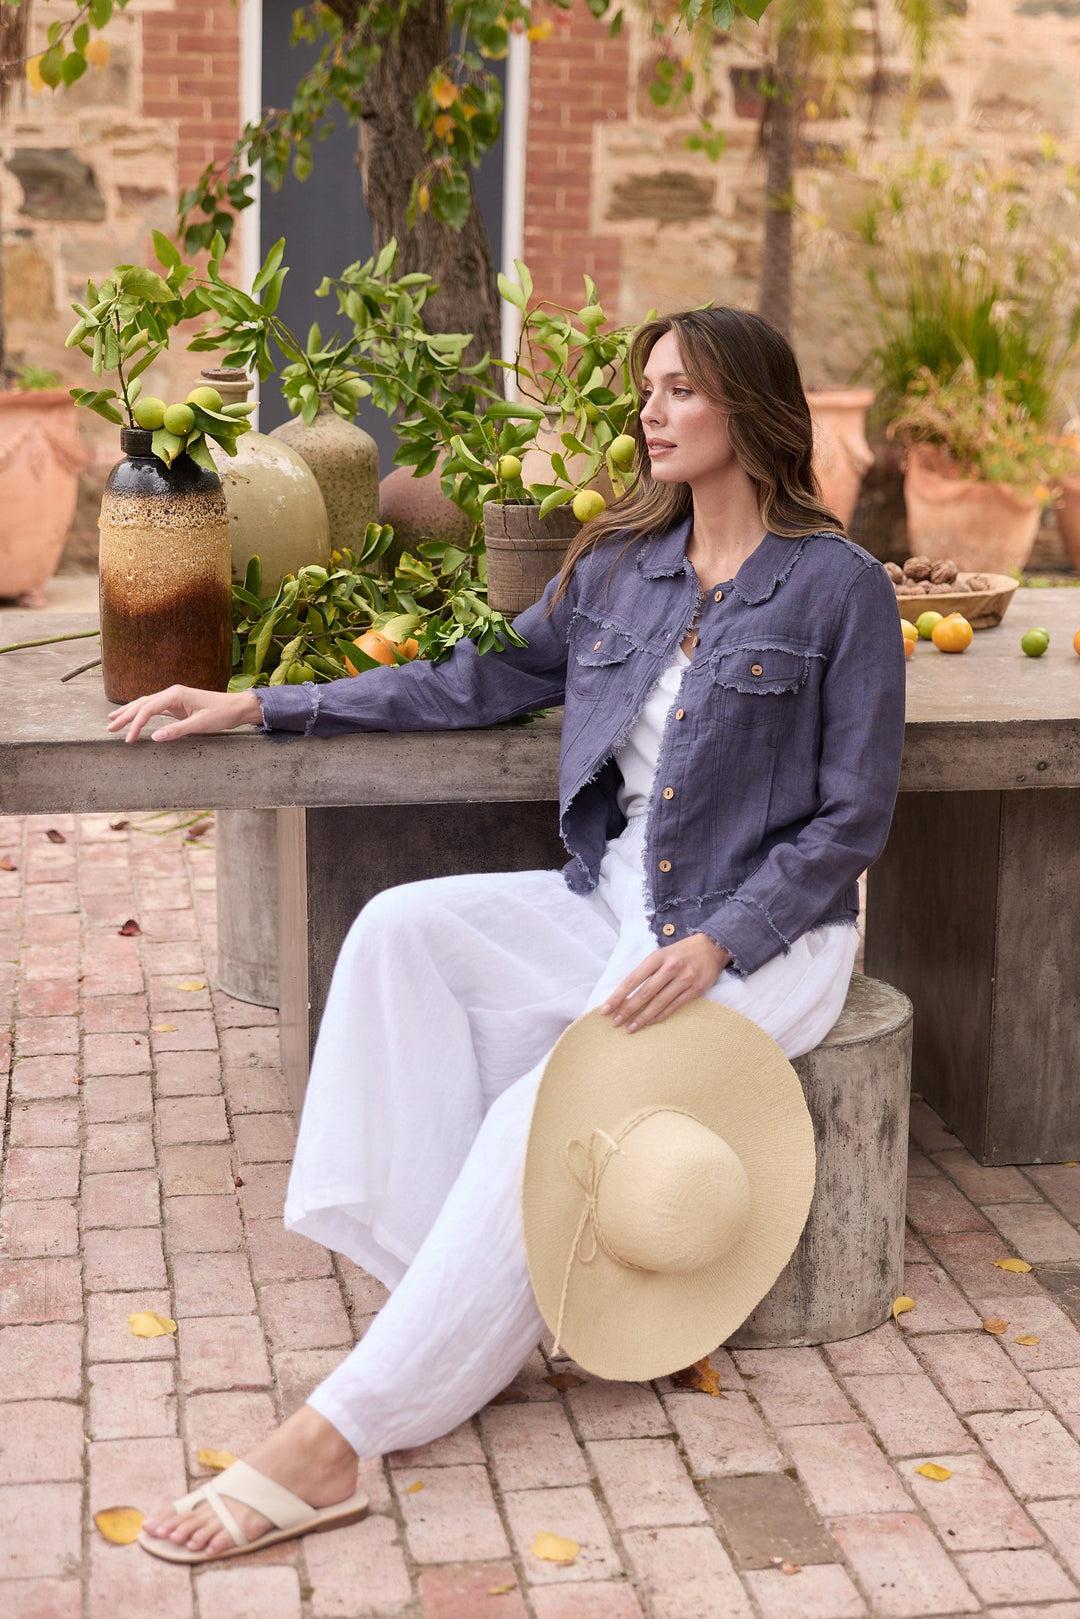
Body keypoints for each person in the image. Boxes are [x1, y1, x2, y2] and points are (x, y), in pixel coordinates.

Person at [112, 308, 907, 1563]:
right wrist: (259, 702)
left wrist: (721, 946)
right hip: (620, 899)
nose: (650, 411)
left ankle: (338, 1435)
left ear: (752, 413)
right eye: (646, 388)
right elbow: (468, 678)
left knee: (543, 1109)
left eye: (681, 390)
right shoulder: (618, 566)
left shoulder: (840, 588)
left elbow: (853, 821)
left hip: (771, 933)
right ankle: (456, 1292)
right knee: (398, 935)